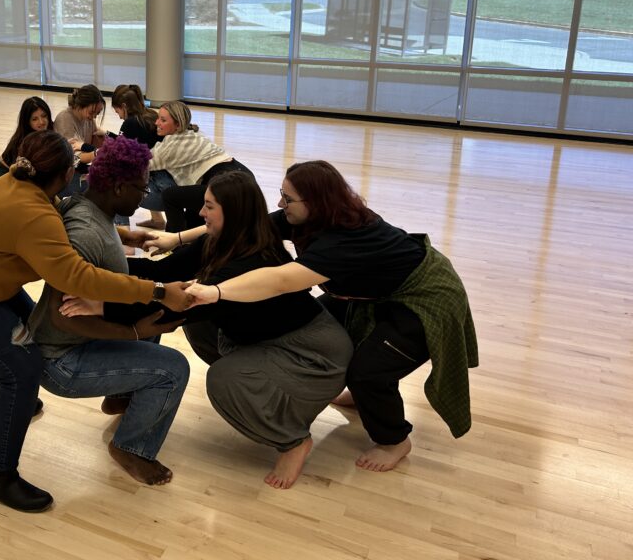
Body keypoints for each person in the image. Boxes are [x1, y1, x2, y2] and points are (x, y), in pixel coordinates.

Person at [0, 130, 190, 513]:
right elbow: (76, 277)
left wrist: (121, 232)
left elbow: (60, 217)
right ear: (67, 173)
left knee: (17, 334)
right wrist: (158, 291)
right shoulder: (32, 212)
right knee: (21, 367)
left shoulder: (13, 186)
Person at [183, 160, 479, 473]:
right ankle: (364, 396)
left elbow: (282, 280)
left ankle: (394, 440)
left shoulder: (344, 240)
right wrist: (175, 239)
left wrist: (216, 292)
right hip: (380, 290)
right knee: (318, 326)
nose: (281, 204)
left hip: (425, 298)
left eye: (288, 198)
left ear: (315, 201)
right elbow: (243, 225)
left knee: (369, 372)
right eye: (280, 194)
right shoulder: (307, 216)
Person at [66, 170, 352, 488]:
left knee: (222, 380)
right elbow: (162, 270)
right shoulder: (224, 239)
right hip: (272, 336)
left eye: (209, 206)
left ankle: (292, 441)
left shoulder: (245, 264)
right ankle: (260, 386)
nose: (201, 213)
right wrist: (96, 264)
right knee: (201, 329)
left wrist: (101, 304)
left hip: (312, 354)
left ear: (234, 211)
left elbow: (172, 305)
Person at [28, 136, 189, 486]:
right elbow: (59, 315)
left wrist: (126, 236)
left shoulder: (84, 206)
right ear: (117, 187)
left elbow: (96, 230)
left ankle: (121, 395)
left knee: (154, 313)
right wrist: (135, 333)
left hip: (74, 342)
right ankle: (132, 447)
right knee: (175, 369)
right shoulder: (86, 235)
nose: (144, 196)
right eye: (141, 189)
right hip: (61, 360)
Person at [150, 101, 250, 232]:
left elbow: (144, 164)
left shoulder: (173, 145)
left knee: (170, 196)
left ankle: (173, 246)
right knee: (191, 222)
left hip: (227, 183)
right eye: (158, 118)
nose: (156, 123)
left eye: (162, 120)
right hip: (241, 175)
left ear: (178, 125)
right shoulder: (192, 134)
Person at [110, 84, 170, 230]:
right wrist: (107, 134)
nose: (117, 114)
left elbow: (116, 152)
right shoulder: (150, 116)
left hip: (156, 194)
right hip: (167, 184)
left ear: (124, 106)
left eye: (117, 110)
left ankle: (123, 231)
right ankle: (157, 220)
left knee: (116, 180)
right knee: (141, 166)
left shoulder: (130, 123)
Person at [54, 84, 106, 196]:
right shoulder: (65, 119)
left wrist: (104, 139)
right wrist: (101, 153)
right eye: (92, 112)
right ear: (81, 105)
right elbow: (77, 158)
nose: (94, 117)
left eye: (97, 113)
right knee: (101, 186)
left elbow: (94, 142)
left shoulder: (88, 119)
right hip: (63, 175)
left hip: (77, 169)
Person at [0, 97, 53, 180]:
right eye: (34, 119)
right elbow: (25, 173)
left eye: (44, 116)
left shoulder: (47, 131)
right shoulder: (23, 141)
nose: (41, 122)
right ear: (27, 121)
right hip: (4, 177)